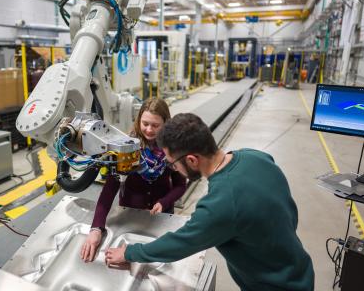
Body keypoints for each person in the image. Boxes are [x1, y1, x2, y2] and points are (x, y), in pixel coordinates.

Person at [105, 113, 315, 291]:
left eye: (172, 164)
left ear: (192, 160)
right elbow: (286, 210)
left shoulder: (220, 204)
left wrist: (130, 252)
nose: (173, 170)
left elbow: (178, 244)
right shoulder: (256, 157)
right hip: (300, 270)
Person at [80, 98, 187, 262]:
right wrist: (96, 228)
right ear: (138, 121)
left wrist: (164, 202)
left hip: (161, 217)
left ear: (166, 123)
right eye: (145, 123)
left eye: (155, 125)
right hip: (129, 217)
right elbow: (109, 190)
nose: (149, 130)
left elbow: (180, 185)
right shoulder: (126, 148)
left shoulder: (172, 149)